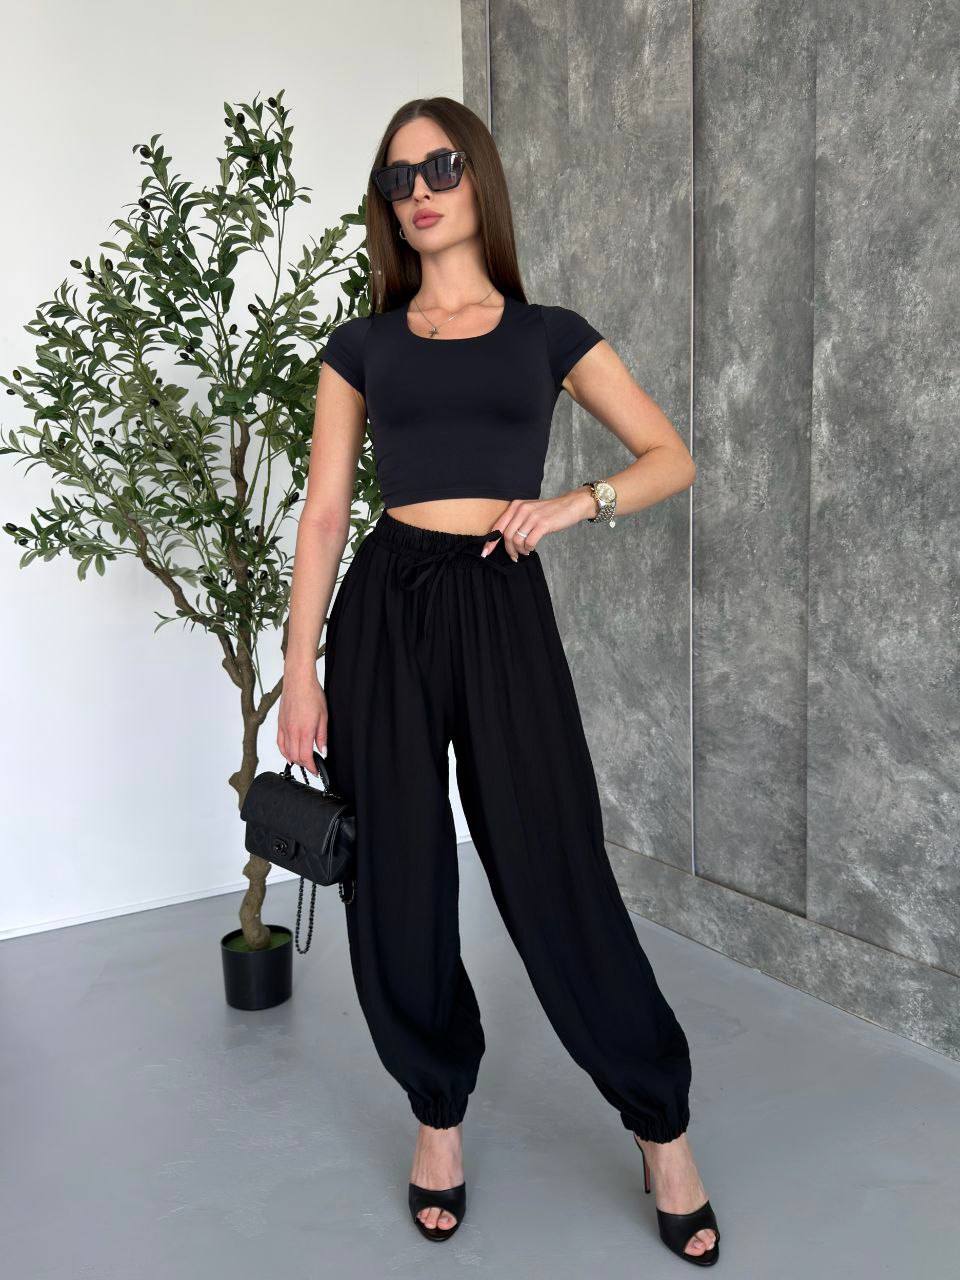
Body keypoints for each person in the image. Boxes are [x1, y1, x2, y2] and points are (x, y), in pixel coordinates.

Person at [278, 96, 720, 1266]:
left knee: (551, 855)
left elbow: (670, 456)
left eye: (439, 166)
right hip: (385, 608)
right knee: (401, 872)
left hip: (500, 601)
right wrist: (297, 668)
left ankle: (660, 1121)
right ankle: (437, 1115)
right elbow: (324, 514)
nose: (419, 191)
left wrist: (573, 504)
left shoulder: (548, 334)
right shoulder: (362, 347)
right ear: (385, 207)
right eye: (397, 179)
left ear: (477, 176)